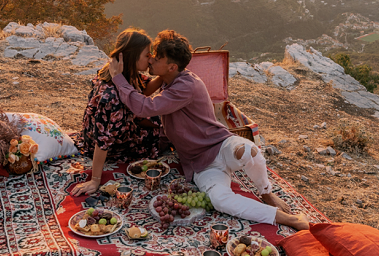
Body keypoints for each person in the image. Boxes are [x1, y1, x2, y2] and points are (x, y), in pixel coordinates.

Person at [108, 29, 309, 230]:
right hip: (200, 165)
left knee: (248, 150)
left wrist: (118, 78)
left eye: (156, 58)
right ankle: (286, 219)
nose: (150, 60)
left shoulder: (186, 85)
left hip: (221, 145)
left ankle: (266, 193)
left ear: (172, 66)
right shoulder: (171, 78)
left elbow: (144, 107)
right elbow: (149, 98)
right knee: (220, 201)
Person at [71, 28, 164, 197]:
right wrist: (95, 179)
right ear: (131, 56)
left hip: (108, 132)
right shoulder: (111, 96)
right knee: (158, 127)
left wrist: (165, 72)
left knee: (155, 117)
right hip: (110, 145)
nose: (150, 58)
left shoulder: (119, 73)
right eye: (146, 55)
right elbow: (104, 140)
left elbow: (144, 90)